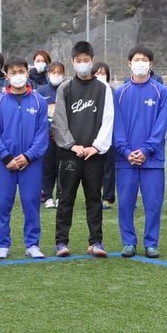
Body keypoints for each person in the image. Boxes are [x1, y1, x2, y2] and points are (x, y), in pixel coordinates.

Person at [51, 42, 114, 258]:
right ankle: (61, 242)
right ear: (72, 62)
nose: (82, 64)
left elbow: (108, 119)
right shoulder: (65, 88)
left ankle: (95, 241)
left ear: (92, 60)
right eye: (78, 61)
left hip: (94, 155)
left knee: (94, 199)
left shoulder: (103, 88)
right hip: (70, 154)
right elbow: (58, 121)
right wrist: (72, 145)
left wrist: (96, 146)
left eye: (86, 60)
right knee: (65, 198)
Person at [113, 46, 167, 258]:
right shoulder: (120, 93)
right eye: (136, 59)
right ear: (129, 63)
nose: (140, 63)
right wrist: (126, 151)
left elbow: (162, 124)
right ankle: (128, 241)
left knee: (153, 204)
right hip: (125, 159)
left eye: (144, 59)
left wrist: (146, 150)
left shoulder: (161, 92)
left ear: (151, 64)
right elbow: (116, 127)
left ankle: (151, 242)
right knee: (126, 203)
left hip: (152, 160)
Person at [0, 56, 49, 259]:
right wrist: (6, 157)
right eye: (13, 72)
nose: (18, 76)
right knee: (3, 203)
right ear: (6, 75)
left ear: (27, 72)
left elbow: (43, 133)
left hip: (30, 164)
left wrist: (29, 156)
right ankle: (2, 244)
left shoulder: (39, 101)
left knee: (31, 203)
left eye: (21, 71)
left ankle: (32, 244)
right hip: (4, 164)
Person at [37, 62, 65, 208]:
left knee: (62, 167)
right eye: (53, 72)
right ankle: (47, 196)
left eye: (59, 72)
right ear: (48, 74)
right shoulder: (41, 90)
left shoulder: (67, 89)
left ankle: (61, 196)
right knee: (47, 168)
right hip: (46, 137)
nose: (56, 75)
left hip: (63, 137)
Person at [93, 61, 116, 210]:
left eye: (103, 73)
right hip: (93, 136)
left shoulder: (113, 92)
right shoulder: (90, 92)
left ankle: (108, 197)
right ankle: (94, 197)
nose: (100, 76)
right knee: (94, 170)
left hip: (110, 136)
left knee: (109, 168)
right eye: (97, 73)